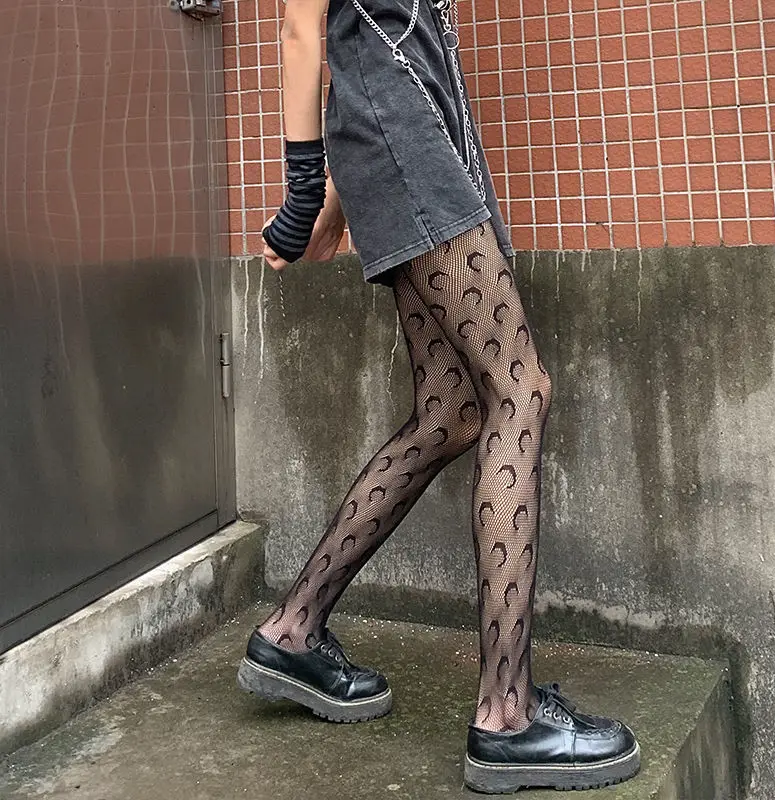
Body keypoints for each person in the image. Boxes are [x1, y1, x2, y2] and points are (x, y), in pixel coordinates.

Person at [236, 0, 641, 791]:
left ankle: (293, 630)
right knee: (519, 390)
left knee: (452, 413)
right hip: (406, 143)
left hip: (417, 144)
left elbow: (378, 33)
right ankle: (506, 715)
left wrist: (347, 193)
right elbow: (302, 27)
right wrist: (304, 191)